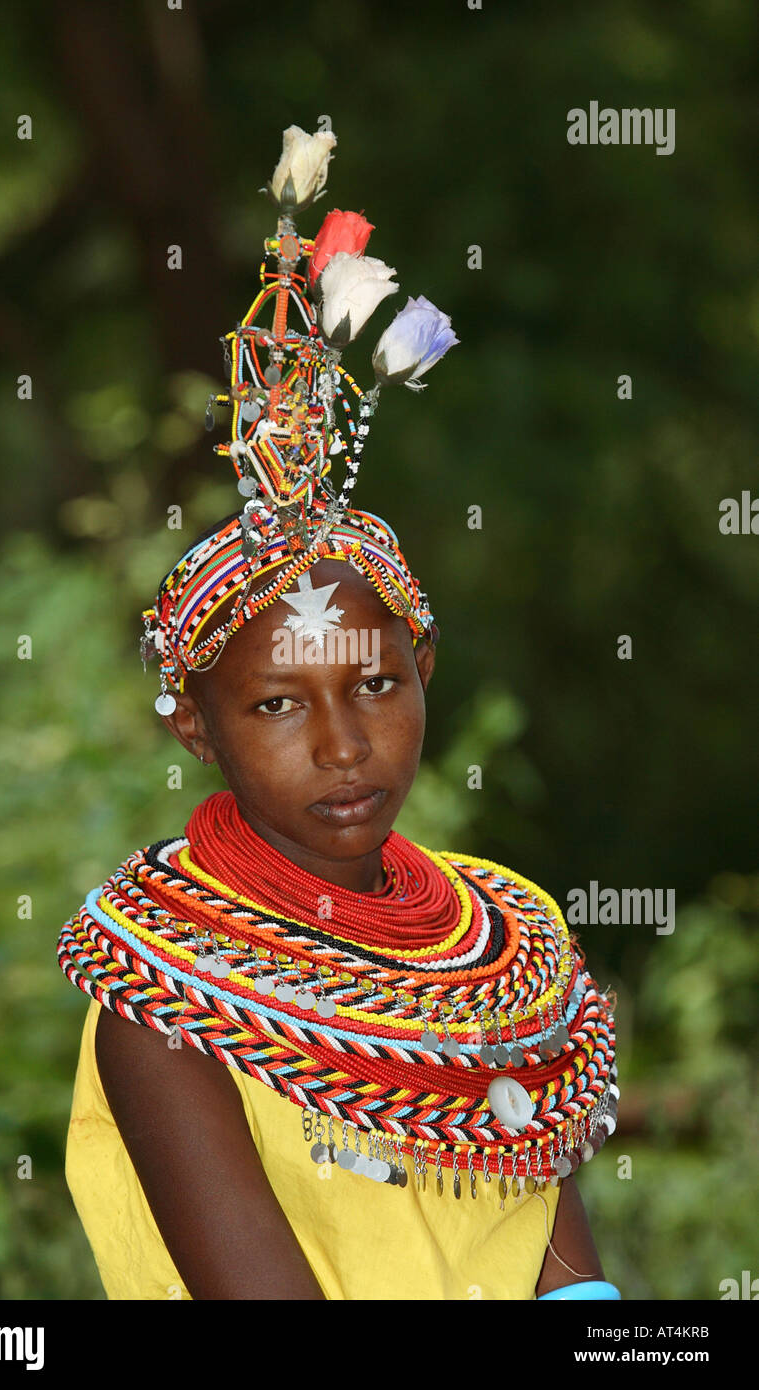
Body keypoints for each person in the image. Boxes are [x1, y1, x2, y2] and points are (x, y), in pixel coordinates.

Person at [57, 125, 619, 1301]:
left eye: (374, 681)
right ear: (192, 727)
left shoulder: (503, 954)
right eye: (273, 702)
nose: (343, 744)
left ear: (422, 667)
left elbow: (574, 1292)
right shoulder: (167, 1001)